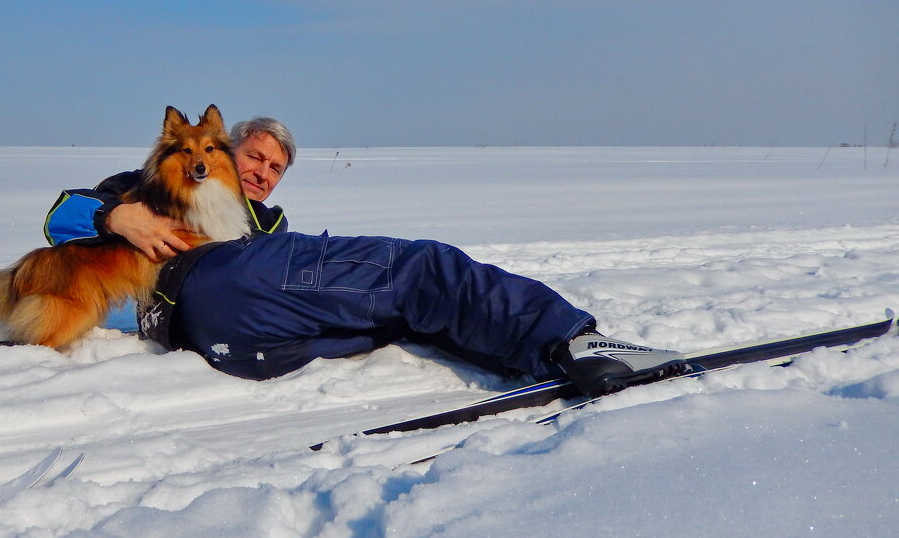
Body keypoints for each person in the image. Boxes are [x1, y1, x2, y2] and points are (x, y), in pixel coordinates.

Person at [44, 116, 684, 397]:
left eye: (276, 167)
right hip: (206, 284)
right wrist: (115, 214)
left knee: (398, 315)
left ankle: (527, 356)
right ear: (222, 150)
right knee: (418, 269)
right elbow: (58, 217)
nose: (263, 174)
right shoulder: (170, 182)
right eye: (255, 158)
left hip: (239, 344)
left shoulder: (266, 221)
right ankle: (568, 342)